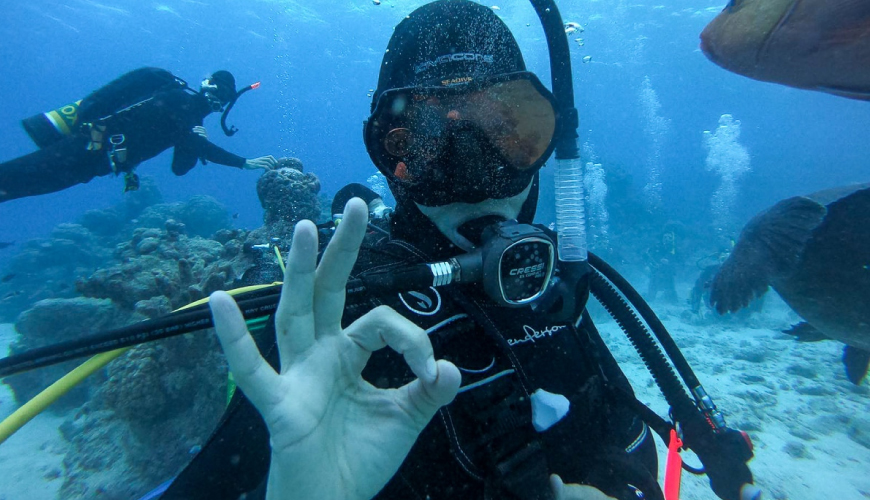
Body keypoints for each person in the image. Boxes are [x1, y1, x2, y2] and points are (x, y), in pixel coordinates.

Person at [163, 2, 660, 499]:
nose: (477, 181)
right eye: (428, 143)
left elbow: (630, 444)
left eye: (508, 132)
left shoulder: (547, 286)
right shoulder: (336, 321)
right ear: (390, 156)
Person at [0, 67, 277, 203]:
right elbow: (187, 143)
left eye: (225, 99)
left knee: (16, 188)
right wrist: (242, 162)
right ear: (208, 88)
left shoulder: (190, 122)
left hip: (93, 165)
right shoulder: (179, 100)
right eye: (221, 95)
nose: (219, 103)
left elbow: (180, 169)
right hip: (83, 149)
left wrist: (198, 142)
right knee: (13, 179)